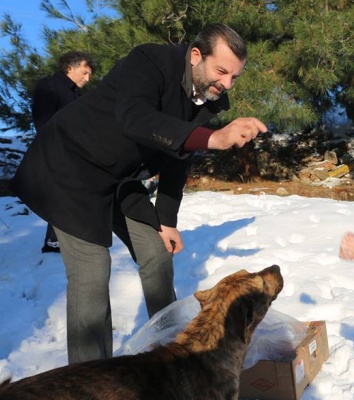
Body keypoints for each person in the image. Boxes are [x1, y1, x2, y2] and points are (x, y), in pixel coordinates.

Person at [11, 23, 267, 364]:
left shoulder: (208, 97)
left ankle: (172, 355)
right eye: (222, 71)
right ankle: (90, 377)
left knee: (156, 253)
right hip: (69, 166)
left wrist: (167, 219)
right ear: (195, 55)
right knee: (92, 270)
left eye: (234, 77)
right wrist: (212, 138)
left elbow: (179, 159)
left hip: (117, 178)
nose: (226, 84)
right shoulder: (148, 60)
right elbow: (134, 118)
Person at [31, 51, 95, 253]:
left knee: (74, 194)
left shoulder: (76, 93)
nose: (88, 78)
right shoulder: (49, 85)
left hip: (75, 151)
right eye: (84, 73)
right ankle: (54, 241)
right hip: (57, 151)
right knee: (62, 195)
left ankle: (68, 237)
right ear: (70, 67)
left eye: (89, 74)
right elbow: (43, 121)